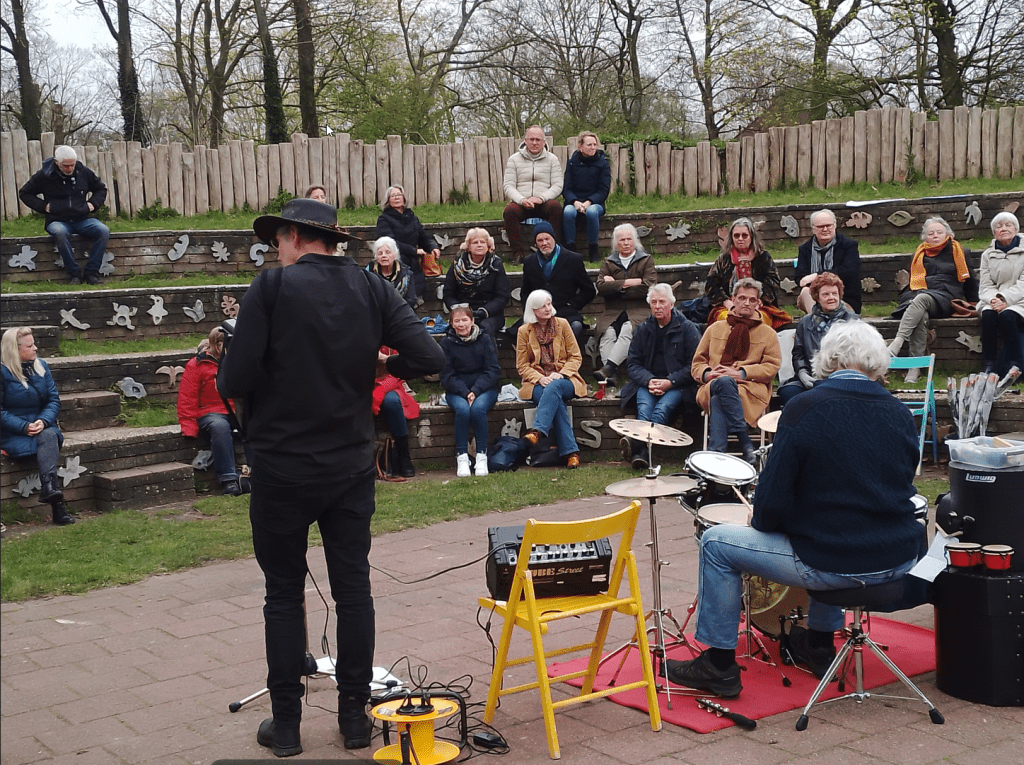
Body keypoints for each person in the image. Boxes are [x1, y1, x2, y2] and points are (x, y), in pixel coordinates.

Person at [217, 198, 444, 757]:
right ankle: (354, 723)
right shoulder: (372, 287)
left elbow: (236, 377)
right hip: (348, 466)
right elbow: (429, 354)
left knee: (282, 594)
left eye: (278, 241)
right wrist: (384, 367)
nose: (277, 251)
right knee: (353, 592)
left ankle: (288, 727)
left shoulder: (270, 288)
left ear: (294, 236)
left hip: (282, 465)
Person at [665, 321, 924, 698]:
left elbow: (771, 504)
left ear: (828, 359)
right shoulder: (900, 412)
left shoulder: (804, 406)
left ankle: (718, 665)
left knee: (717, 543)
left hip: (831, 561)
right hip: (897, 559)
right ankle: (817, 644)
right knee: (829, 528)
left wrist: (762, 517)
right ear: (876, 361)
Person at [691, 278, 781, 464]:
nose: (746, 303)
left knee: (720, 396)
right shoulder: (714, 328)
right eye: (742, 298)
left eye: (751, 299)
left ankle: (716, 454)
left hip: (749, 390)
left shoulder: (768, 333)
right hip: (712, 385)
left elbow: (771, 368)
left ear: (758, 303)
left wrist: (741, 374)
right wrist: (708, 373)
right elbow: (697, 363)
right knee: (722, 383)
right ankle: (746, 442)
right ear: (733, 299)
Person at [619, 284, 702, 470]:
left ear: (672, 304)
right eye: (654, 302)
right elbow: (632, 363)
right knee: (644, 412)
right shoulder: (643, 329)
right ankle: (643, 455)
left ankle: (637, 445)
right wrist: (648, 380)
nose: (657, 306)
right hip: (647, 382)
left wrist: (670, 382)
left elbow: (694, 365)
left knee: (661, 410)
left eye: (662, 302)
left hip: (677, 385)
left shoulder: (688, 329)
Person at [1, 327, 74, 526]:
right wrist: (24, 427)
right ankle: (58, 508)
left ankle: (50, 490)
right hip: (13, 432)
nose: (36, 348)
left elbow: (53, 401)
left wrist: (43, 421)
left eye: (34, 343)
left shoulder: (41, 366)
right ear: (14, 350)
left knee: (50, 436)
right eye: (30, 345)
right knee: (48, 441)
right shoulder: (2, 372)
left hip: (41, 427)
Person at [888, 217, 974, 382]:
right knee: (922, 314)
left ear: (948, 234)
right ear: (925, 237)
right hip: (922, 297)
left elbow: (970, 281)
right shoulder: (918, 254)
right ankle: (915, 367)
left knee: (921, 299)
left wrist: (974, 303)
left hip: (947, 297)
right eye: (931, 233)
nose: (935, 235)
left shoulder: (960, 252)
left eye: (939, 232)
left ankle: (897, 344)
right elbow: (913, 283)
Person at [19, 145, 110, 285]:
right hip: (57, 220)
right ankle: (74, 274)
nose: (70, 169)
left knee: (103, 230)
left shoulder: (83, 171)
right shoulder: (44, 175)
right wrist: (44, 206)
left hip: (82, 219)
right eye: (65, 165)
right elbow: (25, 193)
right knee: (60, 233)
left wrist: (92, 204)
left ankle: (91, 274)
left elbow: (100, 189)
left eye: (72, 165)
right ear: (56, 162)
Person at [176, 327, 251, 496]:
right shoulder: (197, 364)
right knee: (219, 426)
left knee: (253, 424)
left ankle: (258, 472)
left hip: (235, 410)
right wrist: (189, 428)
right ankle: (228, 479)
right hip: (210, 412)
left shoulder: (236, 361)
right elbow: (187, 397)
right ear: (216, 344)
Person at [517, 290, 586, 469]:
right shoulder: (524, 331)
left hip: (565, 379)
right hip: (537, 382)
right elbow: (522, 365)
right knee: (556, 403)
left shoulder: (562, 324)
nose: (547, 308)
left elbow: (576, 357)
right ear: (533, 310)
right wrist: (539, 378)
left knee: (554, 388)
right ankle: (571, 452)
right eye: (542, 306)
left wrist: (561, 373)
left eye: (549, 304)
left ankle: (537, 430)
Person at [777, 272, 857, 406]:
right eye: (826, 294)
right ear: (817, 297)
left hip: (843, 377)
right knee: (788, 391)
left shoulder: (853, 321)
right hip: (812, 376)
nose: (831, 298)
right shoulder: (805, 322)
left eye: (834, 293)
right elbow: (798, 354)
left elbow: (859, 356)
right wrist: (802, 373)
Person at [439, 305, 501, 478]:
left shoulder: (485, 339)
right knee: (463, 410)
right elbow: (446, 375)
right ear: (451, 324)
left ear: (472, 321)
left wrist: (475, 390)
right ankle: (462, 456)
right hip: (457, 390)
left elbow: (493, 370)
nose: (461, 324)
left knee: (478, 409)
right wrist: (466, 392)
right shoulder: (446, 343)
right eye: (456, 321)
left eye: (464, 320)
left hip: (484, 388)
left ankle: (481, 455)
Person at [593, 223, 658, 386]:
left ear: (635, 240)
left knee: (629, 328)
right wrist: (631, 282)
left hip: (639, 309)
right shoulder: (608, 262)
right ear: (616, 243)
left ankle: (608, 369)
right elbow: (601, 287)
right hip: (612, 310)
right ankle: (612, 375)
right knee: (606, 333)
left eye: (629, 239)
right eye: (622, 240)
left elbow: (649, 286)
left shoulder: (646, 260)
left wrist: (616, 285)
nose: (626, 243)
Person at [521, 220, 597, 348]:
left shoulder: (573, 259)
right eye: (540, 240)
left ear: (554, 238)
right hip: (539, 314)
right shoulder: (529, 262)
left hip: (566, 312)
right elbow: (525, 292)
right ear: (535, 242)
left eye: (547, 239)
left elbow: (589, 290)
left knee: (575, 327)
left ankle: (565, 362)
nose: (544, 243)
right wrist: (530, 312)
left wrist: (572, 304)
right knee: (520, 332)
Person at [704, 217, 790, 328]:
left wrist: (759, 301)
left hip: (759, 304)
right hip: (729, 305)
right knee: (726, 321)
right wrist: (726, 302)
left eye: (744, 235)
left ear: (751, 237)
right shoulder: (724, 258)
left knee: (759, 320)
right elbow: (711, 284)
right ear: (731, 238)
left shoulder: (763, 257)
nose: (740, 239)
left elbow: (773, 283)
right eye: (736, 236)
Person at [502, 125, 563, 263]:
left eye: (538, 140)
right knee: (509, 211)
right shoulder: (514, 159)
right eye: (531, 139)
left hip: (543, 202)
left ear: (544, 142)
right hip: (522, 202)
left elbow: (558, 185)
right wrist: (521, 199)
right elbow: (508, 186)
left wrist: (541, 198)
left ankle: (554, 250)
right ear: (525, 140)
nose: (535, 143)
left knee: (556, 208)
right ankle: (518, 253)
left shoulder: (552, 159)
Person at [375, 185, 442, 306]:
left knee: (414, 295)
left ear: (404, 198)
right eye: (393, 196)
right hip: (396, 262)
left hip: (413, 263)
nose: (396, 198)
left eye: (399, 195)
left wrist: (433, 247)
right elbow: (390, 243)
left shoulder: (412, 217)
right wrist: (414, 251)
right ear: (388, 200)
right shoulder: (384, 219)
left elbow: (422, 236)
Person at [442, 228, 511, 341]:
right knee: (456, 330)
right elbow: (448, 294)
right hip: (462, 312)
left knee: (485, 329)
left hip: (490, 314)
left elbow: (502, 296)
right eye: (475, 242)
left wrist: (484, 312)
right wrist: (461, 312)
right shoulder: (457, 265)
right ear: (468, 247)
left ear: (488, 246)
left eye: (483, 242)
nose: (479, 245)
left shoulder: (496, 264)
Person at [977, 212, 1023, 376]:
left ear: (1016, 229)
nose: (1003, 229)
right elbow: (986, 285)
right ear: (994, 232)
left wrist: (1006, 300)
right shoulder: (987, 255)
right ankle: (989, 364)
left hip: (1020, 299)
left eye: (1008, 225)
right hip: (994, 299)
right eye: (999, 226)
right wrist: (995, 300)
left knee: (1007, 316)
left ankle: (1015, 363)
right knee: (988, 315)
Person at [794, 209, 862, 314]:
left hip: (844, 300)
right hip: (815, 299)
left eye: (829, 225)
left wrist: (817, 276)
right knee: (805, 291)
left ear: (834, 226)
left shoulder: (849, 246)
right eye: (820, 226)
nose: (825, 229)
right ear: (813, 228)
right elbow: (800, 277)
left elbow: (849, 271)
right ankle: (817, 322)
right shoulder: (805, 249)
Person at [562, 130, 610, 262]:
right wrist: (575, 202)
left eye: (595, 144)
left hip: (595, 203)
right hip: (574, 202)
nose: (593, 147)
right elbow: (566, 188)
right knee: (567, 212)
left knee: (592, 212)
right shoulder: (572, 163)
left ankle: (593, 250)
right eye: (589, 145)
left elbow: (604, 190)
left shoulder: (603, 163)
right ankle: (571, 250)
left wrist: (589, 202)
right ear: (580, 146)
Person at [373, 346, 420, 478]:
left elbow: (400, 371)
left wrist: (386, 359)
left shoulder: (392, 341)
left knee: (392, 402)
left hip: (390, 383)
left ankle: (403, 456)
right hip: (364, 383)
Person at [367, 236, 418, 308]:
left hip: (401, 313)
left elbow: (411, 300)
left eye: (388, 252)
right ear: (376, 257)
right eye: (380, 253)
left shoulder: (407, 274)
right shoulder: (368, 273)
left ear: (395, 255)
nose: (384, 256)